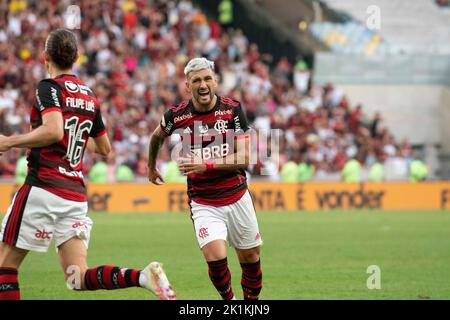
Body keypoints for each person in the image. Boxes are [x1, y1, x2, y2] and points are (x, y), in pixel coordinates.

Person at [0, 29, 175, 300]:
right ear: (77, 57)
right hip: (74, 196)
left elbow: (54, 131)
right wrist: (75, 136)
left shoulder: (48, 87)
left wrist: (9, 142)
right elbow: (104, 147)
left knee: (4, 266)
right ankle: (143, 276)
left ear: (45, 56)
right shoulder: (88, 95)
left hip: (43, 187)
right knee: (77, 277)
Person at [148, 57, 263, 300]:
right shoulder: (176, 116)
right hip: (204, 202)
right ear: (187, 86)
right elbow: (156, 137)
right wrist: (151, 166)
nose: (203, 85)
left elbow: (244, 158)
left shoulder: (232, 110)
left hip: (237, 196)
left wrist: (206, 164)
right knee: (216, 260)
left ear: (215, 81)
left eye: (207, 78)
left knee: (251, 259)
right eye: (196, 80)